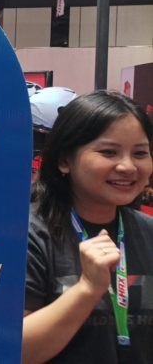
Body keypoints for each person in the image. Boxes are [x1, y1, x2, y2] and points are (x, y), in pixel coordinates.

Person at [23, 90, 153, 364]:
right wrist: (87, 288)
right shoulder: (27, 235)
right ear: (64, 160)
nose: (128, 166)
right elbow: (17, 351)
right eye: (109, 152)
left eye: (140, 153)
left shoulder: (148, 231)